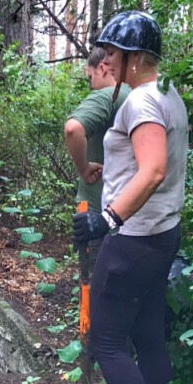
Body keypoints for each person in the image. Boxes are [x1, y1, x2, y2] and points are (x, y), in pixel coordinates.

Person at [71, 11, 188, 384]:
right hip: (162, 234)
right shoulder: (169, 94)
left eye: (112, 52)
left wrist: (106, 219)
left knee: (105, 343)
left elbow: (153, 170)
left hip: (133, 239)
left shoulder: (141, 101)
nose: (105, 60)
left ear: (135, 57)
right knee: (148, 336)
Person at [64, 46, 131, 271]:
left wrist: (83, 168)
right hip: (130, 209)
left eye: (91, 76)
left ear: (102, 68)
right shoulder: (136, 95)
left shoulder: (109, 95)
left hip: (96, 211)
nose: (91, 83)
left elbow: (73, 129)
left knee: (93, 283)